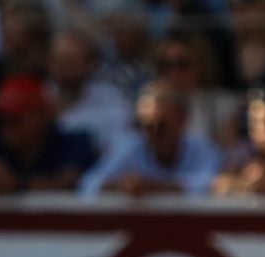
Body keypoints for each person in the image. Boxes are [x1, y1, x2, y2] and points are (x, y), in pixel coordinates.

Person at [0, 76, 96, 193]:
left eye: (15, 120)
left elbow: (71, 182)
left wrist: (16, 184)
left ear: (41, 117)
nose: (6, 127)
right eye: (1, 119)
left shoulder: (73, 142)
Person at [79, 85, 218, 198]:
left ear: (182, 121)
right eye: (147, 126)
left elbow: (212, 184)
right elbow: (88, 184)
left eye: (161, 126)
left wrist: (155, 187)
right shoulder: (130, 146)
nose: (153, 134)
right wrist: (120, 187)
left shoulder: (202, 148)